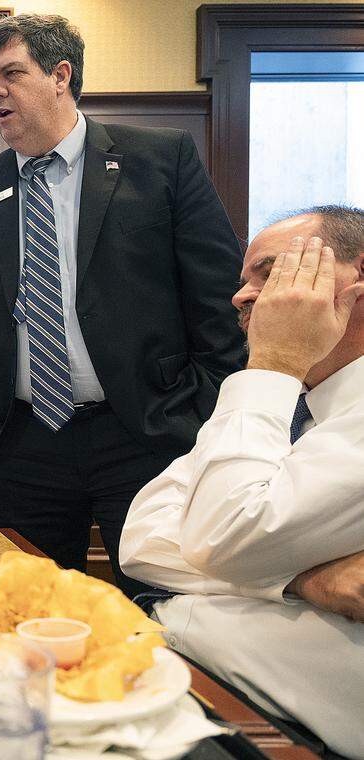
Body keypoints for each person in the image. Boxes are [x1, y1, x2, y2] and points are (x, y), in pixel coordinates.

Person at [0, 14, 244, 594]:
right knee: (35, 619)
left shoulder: (160, 161)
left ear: (60, 76)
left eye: (11, 74)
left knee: (163, 612)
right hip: (18, 446)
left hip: (146, 434)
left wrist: (199, 411)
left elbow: (218, 298)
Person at [120, 206, 364, 758]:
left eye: (271, 272)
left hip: (280, 731)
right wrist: (300, 581)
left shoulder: (271, 386)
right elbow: (140, 537)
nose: (241, 297)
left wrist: (275, 363)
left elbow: (223, 533)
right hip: (189, 679)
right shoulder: (282, 402)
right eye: (243, 279)